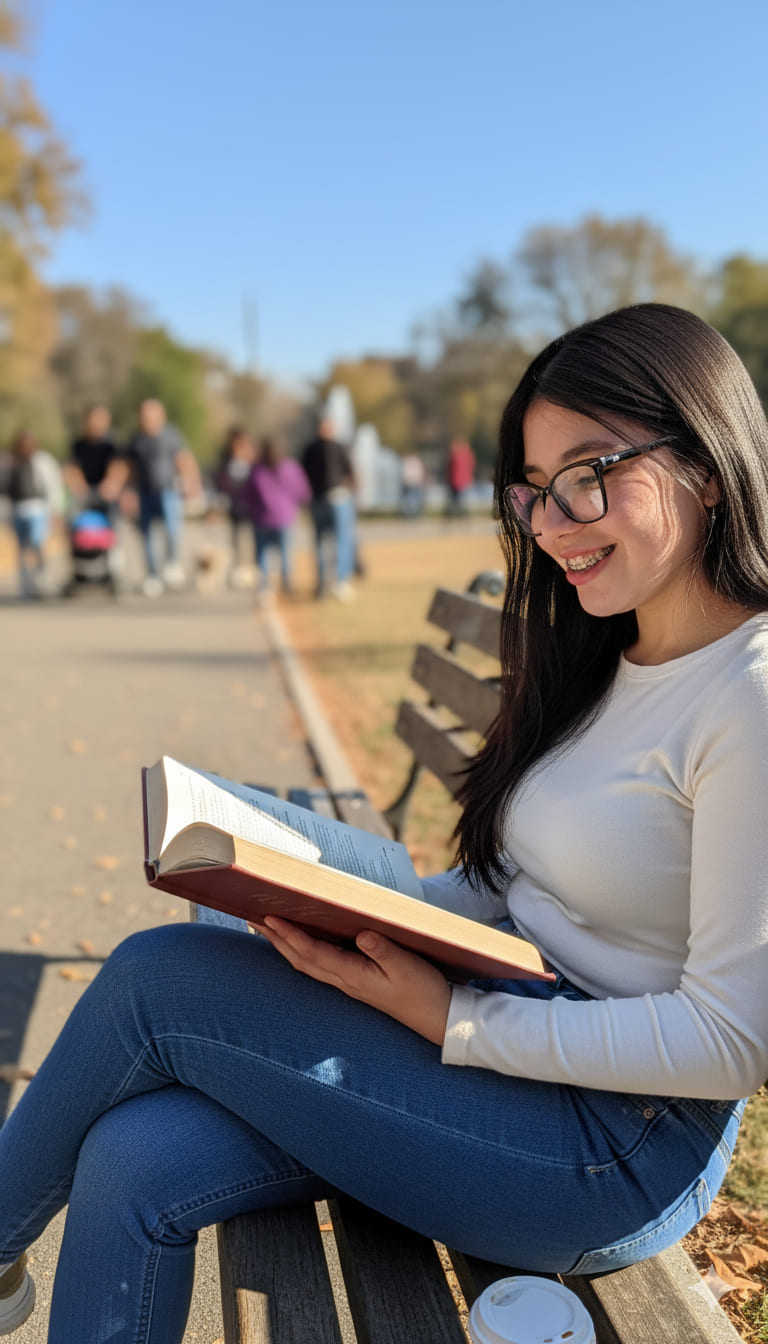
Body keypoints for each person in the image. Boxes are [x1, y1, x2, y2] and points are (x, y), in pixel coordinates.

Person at [2, 303, 768, 1340]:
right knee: (137, 1153)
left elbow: (728, 1043)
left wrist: (449, 1018)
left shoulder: (748, 695)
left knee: (155, 983)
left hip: (605, 1145)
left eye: (590, 473)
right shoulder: (607, 649)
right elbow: (519, 875)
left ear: (709, 461)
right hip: (497, 994)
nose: (552, 524)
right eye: (536, 491)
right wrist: (375, 913)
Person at [125, 399, 203, 597]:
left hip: (168, 491)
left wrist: (192, 482)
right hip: (144, 492)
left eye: (150, 415)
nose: (146, 419)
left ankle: (172, 564)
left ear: (160, 415)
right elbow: (130, 467)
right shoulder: (137, 439)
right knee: (147, 536)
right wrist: (128, 492)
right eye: (143, 415)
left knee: (172, 530)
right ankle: (152, 576)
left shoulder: (171, 435)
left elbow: (183, 459)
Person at [3, 429, 64, 598]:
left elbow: (53, 486)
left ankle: (40, 579)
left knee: (37, 545)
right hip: (17, 509)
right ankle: (25, 585)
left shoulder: (43, 460)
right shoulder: (10, 461)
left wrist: (55, 510)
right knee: (21, 549)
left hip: (37, 509)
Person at [244, 437, 310, 595]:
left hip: (262, 519)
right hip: (284, 518)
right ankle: (287, 584)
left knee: (262, 554)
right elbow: (302, 491)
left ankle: (264, 587)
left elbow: (247, 494)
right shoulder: (290, 468)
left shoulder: (257, 470)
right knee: (285, 553)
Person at [301, 417, 357, 599]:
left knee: (323, 542)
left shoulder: (310, 449)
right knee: (340, 541)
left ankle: (325, 583)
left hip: (319, 500)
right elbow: (351, 472)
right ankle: (338, 582)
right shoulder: (337, 447)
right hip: (335, 498)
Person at [214, 426, 257, 584]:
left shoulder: (253, 463)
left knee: (252, 539)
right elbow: (222, 484)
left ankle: (252, 570)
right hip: (235, 507)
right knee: (236, 539)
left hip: (252, 507)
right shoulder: (226, 463)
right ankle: (238, 570)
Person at [64, 405, 128, 506]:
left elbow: (120, 467)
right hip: (85, 492)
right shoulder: (78, 445)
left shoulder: (113, 444)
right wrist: (78, 485)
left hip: (107, 492)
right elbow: (72, 468)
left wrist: (112, 483)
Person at [445, 435, 476, 515]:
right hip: (463, 481)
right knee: (462, 503)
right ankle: (462, 517)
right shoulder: (468, 455)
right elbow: (471, 467)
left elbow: (449, 467)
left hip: (456, 482)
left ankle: (455, 517)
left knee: (456, 503)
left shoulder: (454, 456)